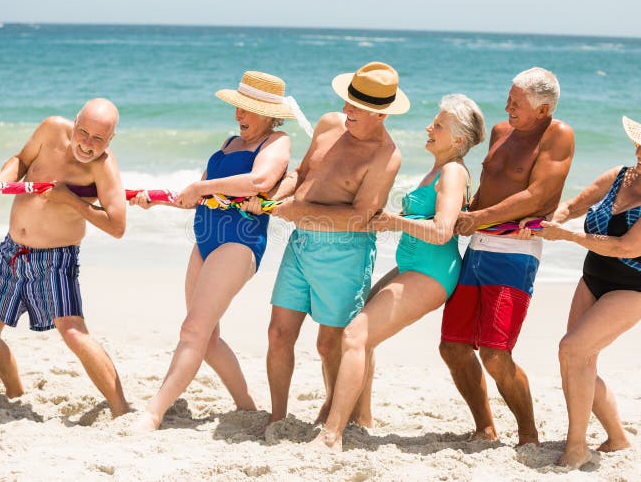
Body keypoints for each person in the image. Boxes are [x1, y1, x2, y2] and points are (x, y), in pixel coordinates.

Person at [310, 94, 486, 451]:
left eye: (439, 125)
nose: (429, 128)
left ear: (459, 141)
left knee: (355, 336)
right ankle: (362, 417)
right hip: (413, 266)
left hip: (432, 272)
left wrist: (393, 221)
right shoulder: (438, 168)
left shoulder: (453, 171)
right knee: (359, 332)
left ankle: (331, 435)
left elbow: (442, 231)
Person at [130, 71, 299, 431]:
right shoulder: (228, 142)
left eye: (247, 109)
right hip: (205, 239)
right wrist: (159, 201)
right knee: (207, 339)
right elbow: (202, 199)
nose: (239, 115)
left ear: (269, 113)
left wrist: (200, 184)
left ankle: (152, 414)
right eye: (238, 106)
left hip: (239, 242)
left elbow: (259, 182)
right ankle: (247, 406)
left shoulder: (277, 141)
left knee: (192, 328)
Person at [251, 61, 408, 430]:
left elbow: (361, 216)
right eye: (347, 101)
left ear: (381, 114)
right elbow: (302, 173)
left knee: (330, 344)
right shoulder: (328, 124)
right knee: (278, 332)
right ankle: (278, 417)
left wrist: (297, 211)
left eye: (357, 107)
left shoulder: (386, 156)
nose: (346, 111)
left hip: (345, 252)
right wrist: (275, 196)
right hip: (300, 240)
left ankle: (342, 414)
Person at [538, 116, 641, 469]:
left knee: (572, 350)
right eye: (639, 144)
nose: (639, 152)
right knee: (577, 359)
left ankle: (576, 446)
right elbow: (575, 206)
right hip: (594, 275)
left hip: (635, 286)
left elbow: (625, 247)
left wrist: (570, 237)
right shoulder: (621, 176)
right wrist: (550, 222)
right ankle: (618, 438)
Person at [439, 67, 575, 445]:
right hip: (477, 249)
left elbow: (537, 194)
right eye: (508, 99)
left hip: (516, 253)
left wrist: (479, 217)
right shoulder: (500, 132)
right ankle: (485, 427)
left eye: (516, 103)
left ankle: (528, 433)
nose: (507, 107)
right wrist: (454, 213)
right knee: (452, 346)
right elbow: (487, 188)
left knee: (497, 354)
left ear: (543, 109)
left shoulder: (558, 135)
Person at [0, 98, 130, 416]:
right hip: (12, 252)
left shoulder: (103, 167)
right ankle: (14, 392)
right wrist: (0, 183)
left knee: (73, 332)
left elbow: (118, 225)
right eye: (83, 132)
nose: (87, 143)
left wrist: (70, 199)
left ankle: (122, 410)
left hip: (56, 260)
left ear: (110, 139)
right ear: (75, 122)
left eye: (98, 138)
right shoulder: (51, 129)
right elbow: (21, 160)